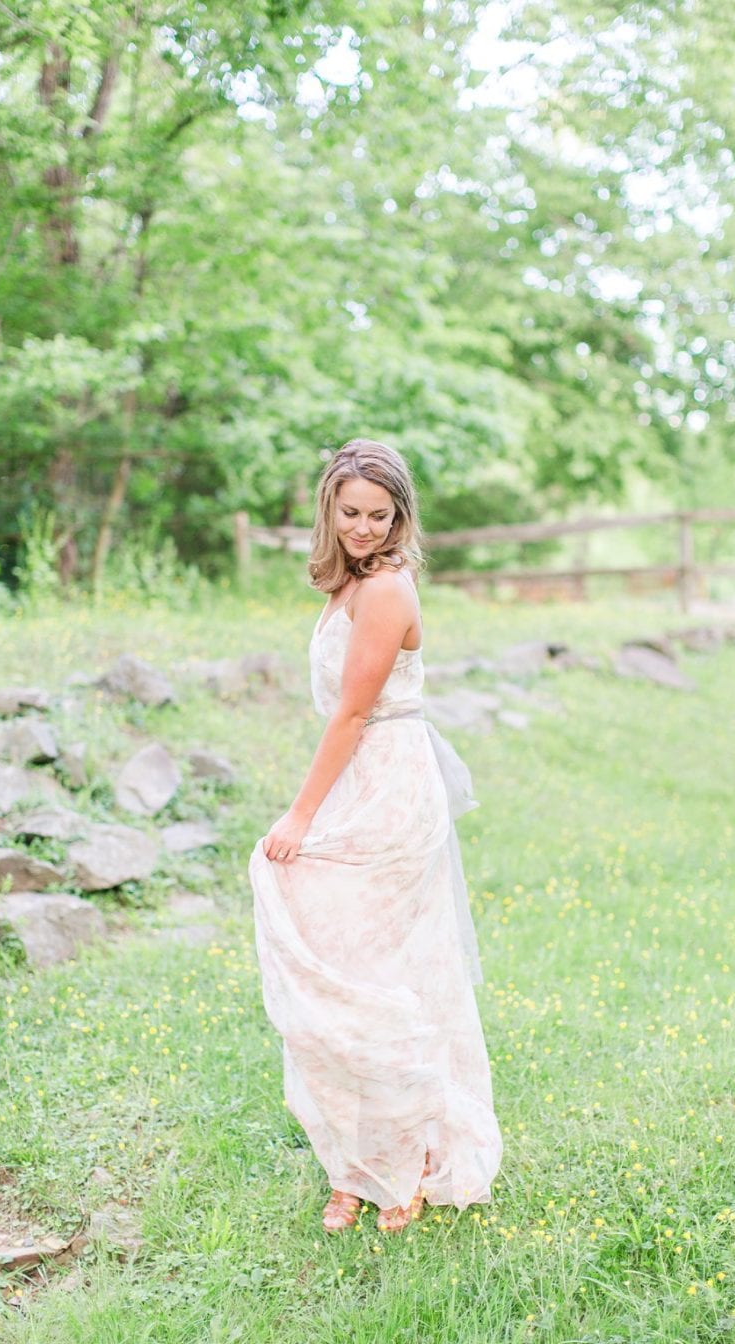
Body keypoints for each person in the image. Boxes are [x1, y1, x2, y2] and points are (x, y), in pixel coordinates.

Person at [248, 438, 502, 1234]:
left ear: (400, 516)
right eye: (350, 512)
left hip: (389, 787)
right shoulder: (346, 583)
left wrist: (299, 816)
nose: (363, 527)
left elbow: (355, 713)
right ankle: (355, 1163)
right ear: (330, 507)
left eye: (378, 515)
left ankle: (411, 1160)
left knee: (381, 974)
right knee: (347, 965)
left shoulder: (388, 588)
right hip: (361, 776)